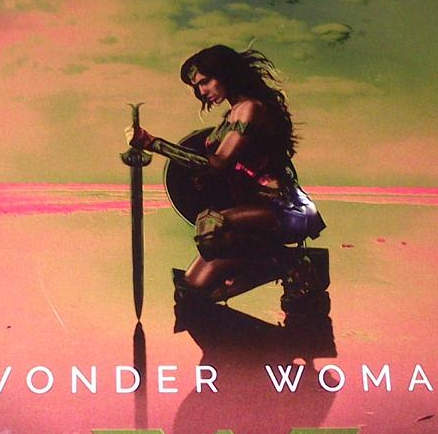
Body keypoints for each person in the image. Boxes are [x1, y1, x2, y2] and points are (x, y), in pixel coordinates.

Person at [126, 44, 326, 303]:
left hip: (283, 209)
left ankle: (290, 263)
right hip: (248, 210)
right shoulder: (233, 114)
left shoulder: (251, 108)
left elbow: (219, 163)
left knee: (212, 223)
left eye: (205, 82)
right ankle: (282, 262)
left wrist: (154, 143)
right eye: (197, 86)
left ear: (225, 73)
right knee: (191, 289)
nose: (201, 91)